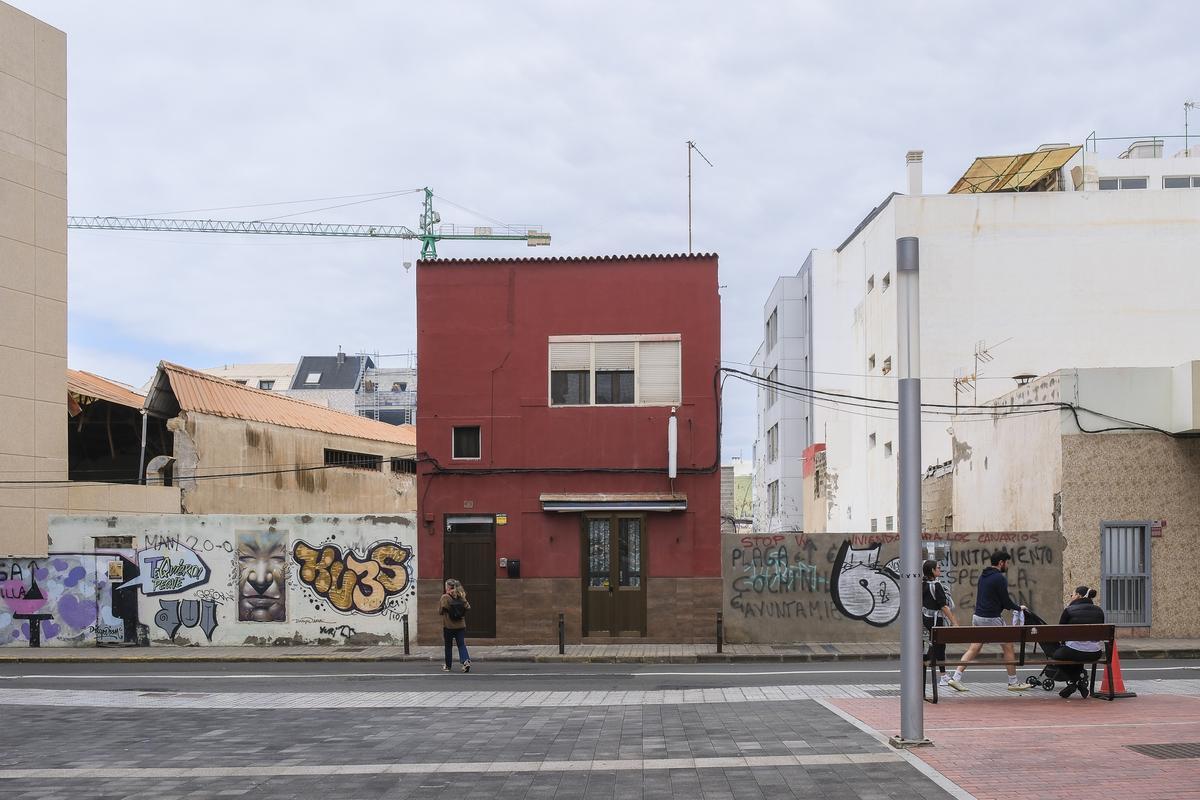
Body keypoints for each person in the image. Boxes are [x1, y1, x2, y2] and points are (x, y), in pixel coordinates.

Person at [945, 550, 1029, 692]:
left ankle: (956, 678)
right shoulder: (999, 578)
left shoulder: (983, 576)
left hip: (978, 617)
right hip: (991, 618)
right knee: (1008, 646)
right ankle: (1013, 682)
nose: (1008, 565)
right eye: (1007, 563)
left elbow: (994, 599)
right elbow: (1005, 601)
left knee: (975, 647)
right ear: (1001, 563)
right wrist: (1018, 608)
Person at [1053, 586, 1105, 698]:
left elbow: (1060, 632)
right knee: (1077, 652)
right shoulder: (1099, 611)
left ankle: (1075, 680)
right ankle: (1077, 682)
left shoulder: (1069, 610)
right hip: (1095, 652)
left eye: (1072, 594)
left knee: (1057, 656)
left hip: (1074, 651)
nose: (1071, 596)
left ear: (1079, 596)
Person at [922, 559, 959, 687]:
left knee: (935, 644)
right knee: (939, 645)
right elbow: (943, 606)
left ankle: (940, 672)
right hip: (936, 619)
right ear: (932, 570)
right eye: (938, 567)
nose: (940, 569)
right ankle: (941, 674)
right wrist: (954, 622)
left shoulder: (922, 584)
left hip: (926, 618)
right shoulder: (936, 585)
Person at [439, 578, 472, 673]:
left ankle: (448, 666)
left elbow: (440, 611)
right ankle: (465, 661)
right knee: (461, 644)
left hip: (448, 626)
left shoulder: (445, 597)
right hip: (461, 626)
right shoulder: (460, 596)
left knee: (448, 646)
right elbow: (468, 607)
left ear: (448, 587)